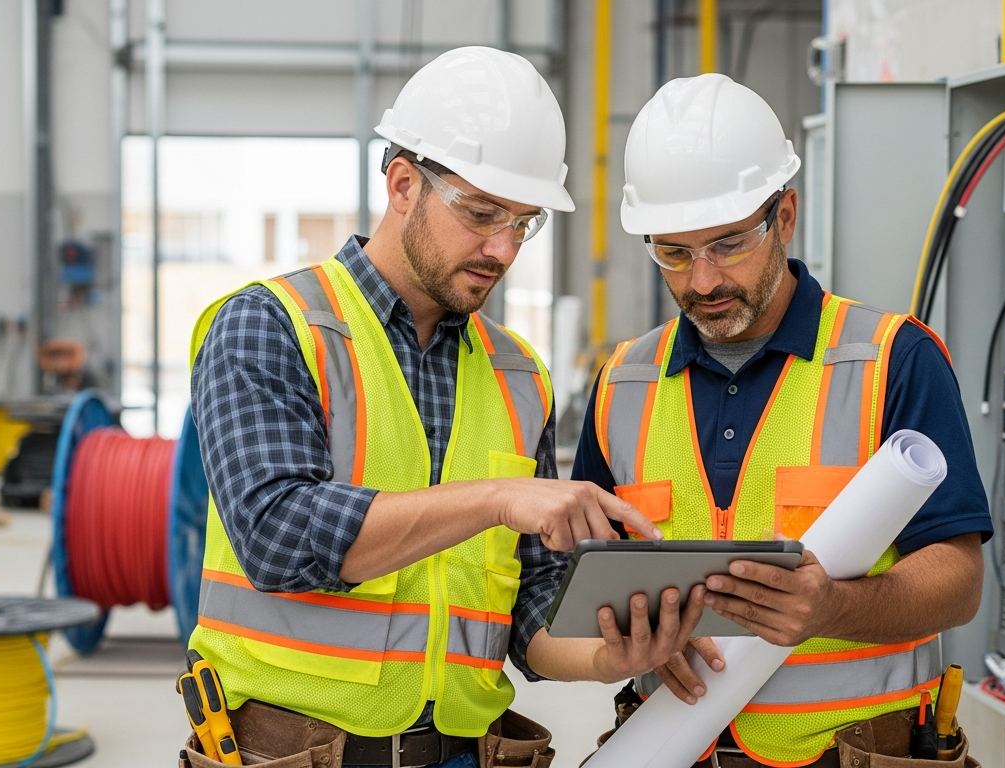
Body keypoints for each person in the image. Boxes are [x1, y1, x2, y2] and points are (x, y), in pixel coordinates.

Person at [186, 47, 707, 768]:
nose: (502, 249)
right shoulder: (272, 326)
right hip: (292, 753)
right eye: (482, 213)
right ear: (403, 184)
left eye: (523, 223)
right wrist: (495, 498)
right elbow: (276, 535)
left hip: (467, 752)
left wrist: (606, 654)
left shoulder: (518, 374)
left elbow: (530, 602)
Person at [573, 74, 993, 767]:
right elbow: (584, 579)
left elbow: (960, 579)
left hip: (852, 756)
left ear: (786, 215)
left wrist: (832, 609)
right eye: (673, 252)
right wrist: (630, 634)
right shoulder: (623, 382)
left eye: (728, 244)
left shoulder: (892, 359)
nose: (703, 280)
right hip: (669, 751)